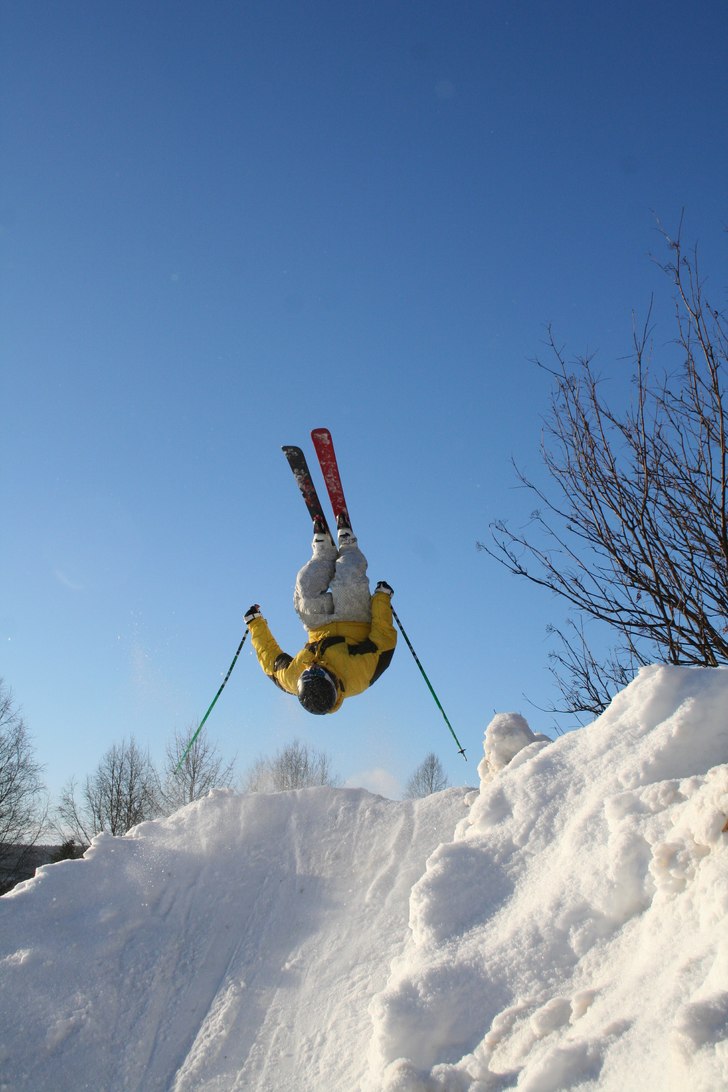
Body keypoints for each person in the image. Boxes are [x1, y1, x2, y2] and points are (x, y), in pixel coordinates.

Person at [245, 515, 396, 714]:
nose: (313, 666)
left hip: (318, 626)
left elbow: (271, 659)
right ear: (331, 681)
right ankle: (348, 545)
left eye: (309, 671)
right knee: (347, 578)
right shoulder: (358, 677)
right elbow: (383, 640)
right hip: (354, 619)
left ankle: (323, 554)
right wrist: (382, 599)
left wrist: (254, 623)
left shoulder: (293, 678)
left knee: (304, 585)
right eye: (319, 671)